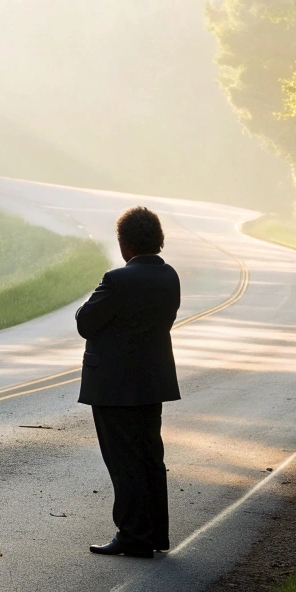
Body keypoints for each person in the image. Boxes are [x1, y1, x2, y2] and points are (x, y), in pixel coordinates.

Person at [75, 206, 180, 558]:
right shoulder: (170, 277)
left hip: (114, 385)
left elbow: (85, 323)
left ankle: (132, 535)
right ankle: (155, 534)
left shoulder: (117, 280)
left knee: (123, 461)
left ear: (125, 244)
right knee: (150, 456)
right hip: (152, 381)